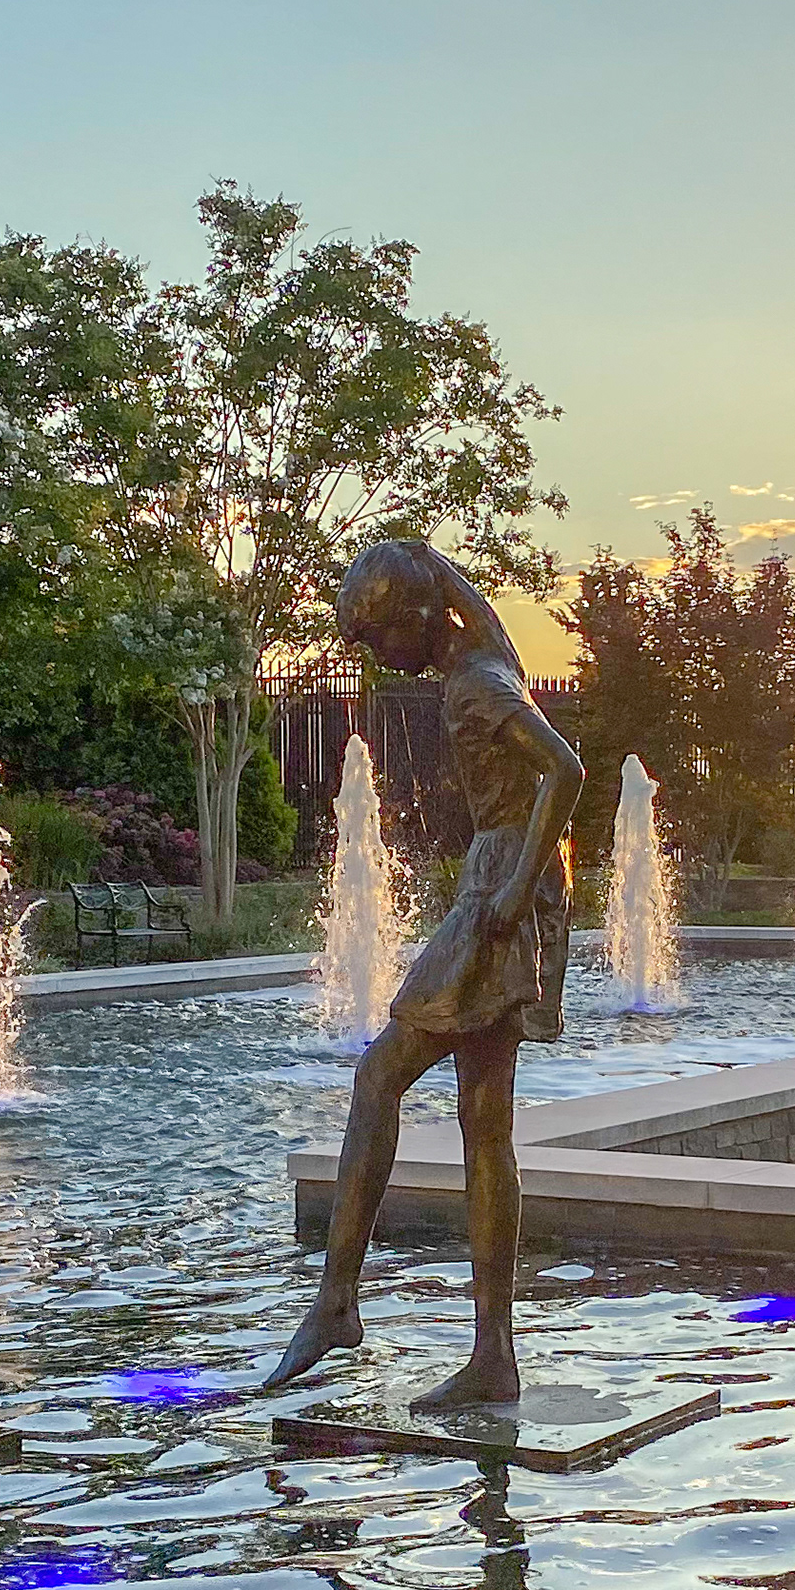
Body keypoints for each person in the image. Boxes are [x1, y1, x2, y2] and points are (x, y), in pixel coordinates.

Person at [263, 539, 582, 1408]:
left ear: (413, 619)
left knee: (380, 1076)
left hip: (499, 889)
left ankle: (336, 1302)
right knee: (485, 1120)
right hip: (515, 880)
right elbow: (464, 602)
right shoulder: (482, 650)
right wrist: (426, 568)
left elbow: (566, 768)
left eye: (375, 638)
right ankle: (494, 1358)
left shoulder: (478, 684)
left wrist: (512, 895)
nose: (375, 659)